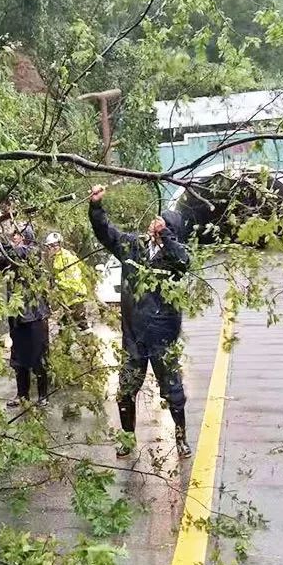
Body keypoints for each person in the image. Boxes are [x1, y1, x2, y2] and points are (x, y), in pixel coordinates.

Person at [88, 184, 192, 458]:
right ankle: (127, 439)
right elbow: (106, 233)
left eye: (161, 225)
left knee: (174, 393)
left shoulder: (174, 256)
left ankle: (181, 439)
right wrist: (96, 208)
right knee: (125, 390)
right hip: (134, 336)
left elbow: (183, 261)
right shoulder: (133, 247)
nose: (153, 227)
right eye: (155, 223)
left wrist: (166, 236)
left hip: (163, 338)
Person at [0, 224, 50, 408]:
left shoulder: (33, 252)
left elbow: (17, 254)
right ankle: (22, 395)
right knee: (19, 358)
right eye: (13, 235)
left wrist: (1, 241)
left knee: (39, 357)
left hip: (36, 315)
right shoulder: (11, 260)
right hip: (17, 316)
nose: (14, 238)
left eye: (18, 235)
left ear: (27, 237)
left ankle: (43, 395)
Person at [43, 232, 90, 332]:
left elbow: (74, 278)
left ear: (58, 245)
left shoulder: (66, 257)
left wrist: (58, 284)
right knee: (64, 326)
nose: (49, 249)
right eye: (49, 246)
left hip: (75, 296)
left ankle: (90, 343)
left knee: (81, 325)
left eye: (52, 246)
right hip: (68, 298)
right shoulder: (57, 257)